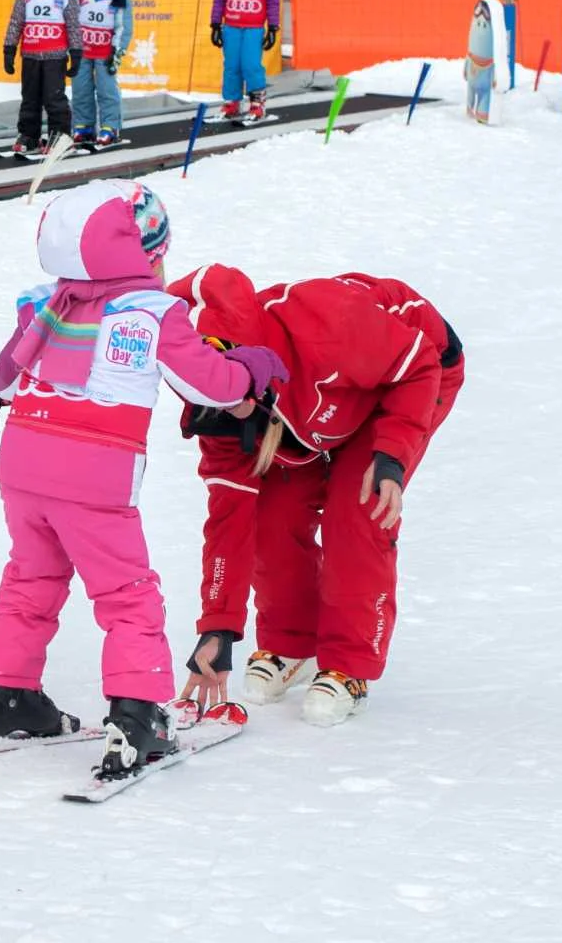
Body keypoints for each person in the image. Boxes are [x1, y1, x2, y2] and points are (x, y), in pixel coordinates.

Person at [0, 180, 283, 779]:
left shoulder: (43, 307)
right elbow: (211, 384)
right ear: (149, 257)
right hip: (96, 479)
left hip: (25, 472)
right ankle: (139, 715)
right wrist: (254, 366)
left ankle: (4, 694)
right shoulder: (154, 314)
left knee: (30, 578)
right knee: (127, 594)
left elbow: (0, 383)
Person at [171, 265, 464, 726]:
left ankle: (349, 663)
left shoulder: (331, 326)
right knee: (272, 511)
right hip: (302, 414)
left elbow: (417, 366)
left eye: (232, 392)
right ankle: (291, 642)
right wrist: (218, 626)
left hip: (405, 380)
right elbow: (230, 520)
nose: (228, 409)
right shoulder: (219, 415)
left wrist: (392, 453)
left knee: (358, 511)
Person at [1, 0, 81, 158]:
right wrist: (9, 49)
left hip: (55, 56)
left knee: (54, 98)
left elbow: (73, 26)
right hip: (31, 55)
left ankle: (60, 135)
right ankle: (29, 134)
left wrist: (76, 53)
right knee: (30, 97)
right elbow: (16, 22)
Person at [209, 0, 280, 126]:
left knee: (250, 65)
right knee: (231, 66)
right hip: (231, 27)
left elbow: (273, 1)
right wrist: (215, 24)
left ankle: (257, 103)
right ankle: (232, 102)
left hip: (253, 28)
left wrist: (273, 27)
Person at [71, 0, 135, 150]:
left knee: (107, 89)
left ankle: (110, 126)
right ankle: (84, 125)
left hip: (105, 52)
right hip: (82, 51)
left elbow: (124, 27)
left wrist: (116, 52)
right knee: (81, 89)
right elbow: (70, 20)